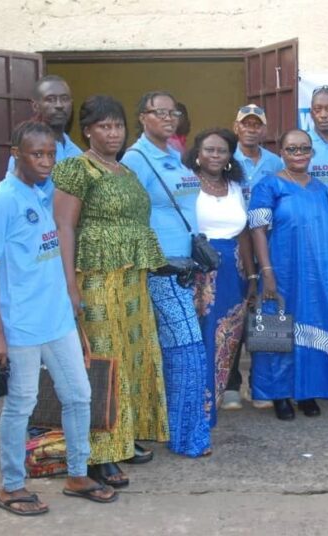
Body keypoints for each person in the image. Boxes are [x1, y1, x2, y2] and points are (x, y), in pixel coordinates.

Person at [0, 121, 116, 515]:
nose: (45, 162)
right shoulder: (2, 200)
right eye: (36, 154)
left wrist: (71, 298)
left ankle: (77, 474)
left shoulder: (47, 193)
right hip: (20, 324)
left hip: (56, 319)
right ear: (16, 153)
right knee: (22, 403)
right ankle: (11, 486)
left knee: (78, 395)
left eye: (51, 154)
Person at [54, 95, 170, 487]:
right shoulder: (76, 169)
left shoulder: (125, 172)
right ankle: (97, 454)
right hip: (97, 280)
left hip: (131, 281)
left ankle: (124, 437)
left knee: (134, 357)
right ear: (87, 130)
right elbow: (64, 228)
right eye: (104, 126)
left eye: (118, 125)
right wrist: (70, 284)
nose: (113, 133)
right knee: (103, 362)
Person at [121, 91, 211, 458]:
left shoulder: (178, 154)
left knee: (177, 350)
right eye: (159, 112)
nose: (168, 118)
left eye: (173, 112)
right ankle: (188, 437)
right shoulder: (135, 159)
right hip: (160, 269)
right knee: (188, 349)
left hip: (188, 267)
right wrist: (155, 258)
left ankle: (175, 429)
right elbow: (128, 219)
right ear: (142, 117)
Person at [248, 129, 328, 420]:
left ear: (312, 152)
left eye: (304, 148)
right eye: (292, 149)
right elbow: (257, 231)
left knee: (313, 324)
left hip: (317, 272)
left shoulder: (320, 189)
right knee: (276, 329)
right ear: (281, 152)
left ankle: (307, 392)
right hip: (281, 270)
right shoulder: (268, 186)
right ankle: (279, 395)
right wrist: (266, 271)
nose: (299, 153)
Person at [186, 128, 256, 420]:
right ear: (198, 155)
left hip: (233, 272)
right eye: (209, 150)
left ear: (230, 156)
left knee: (226, 340)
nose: (215, 155)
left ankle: (211, 405)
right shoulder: (187, 184)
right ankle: (194, 407)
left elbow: (244, 234)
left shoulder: (237, 188)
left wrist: (252, 277)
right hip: (198, 271)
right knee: (198, 338)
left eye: (222, 151)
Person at [7, 75, 83, 195]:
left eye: (64, 99)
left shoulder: (77, 153)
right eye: (51, 99)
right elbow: (15, 196)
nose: (59, 105)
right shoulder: (27, 151)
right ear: (35, 106)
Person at [233, 104, 283, 201]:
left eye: (257, 125)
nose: (251, 130)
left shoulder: (275, 162)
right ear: (236, 127)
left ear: (264, 130)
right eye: (246, 124)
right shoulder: (227, 159)